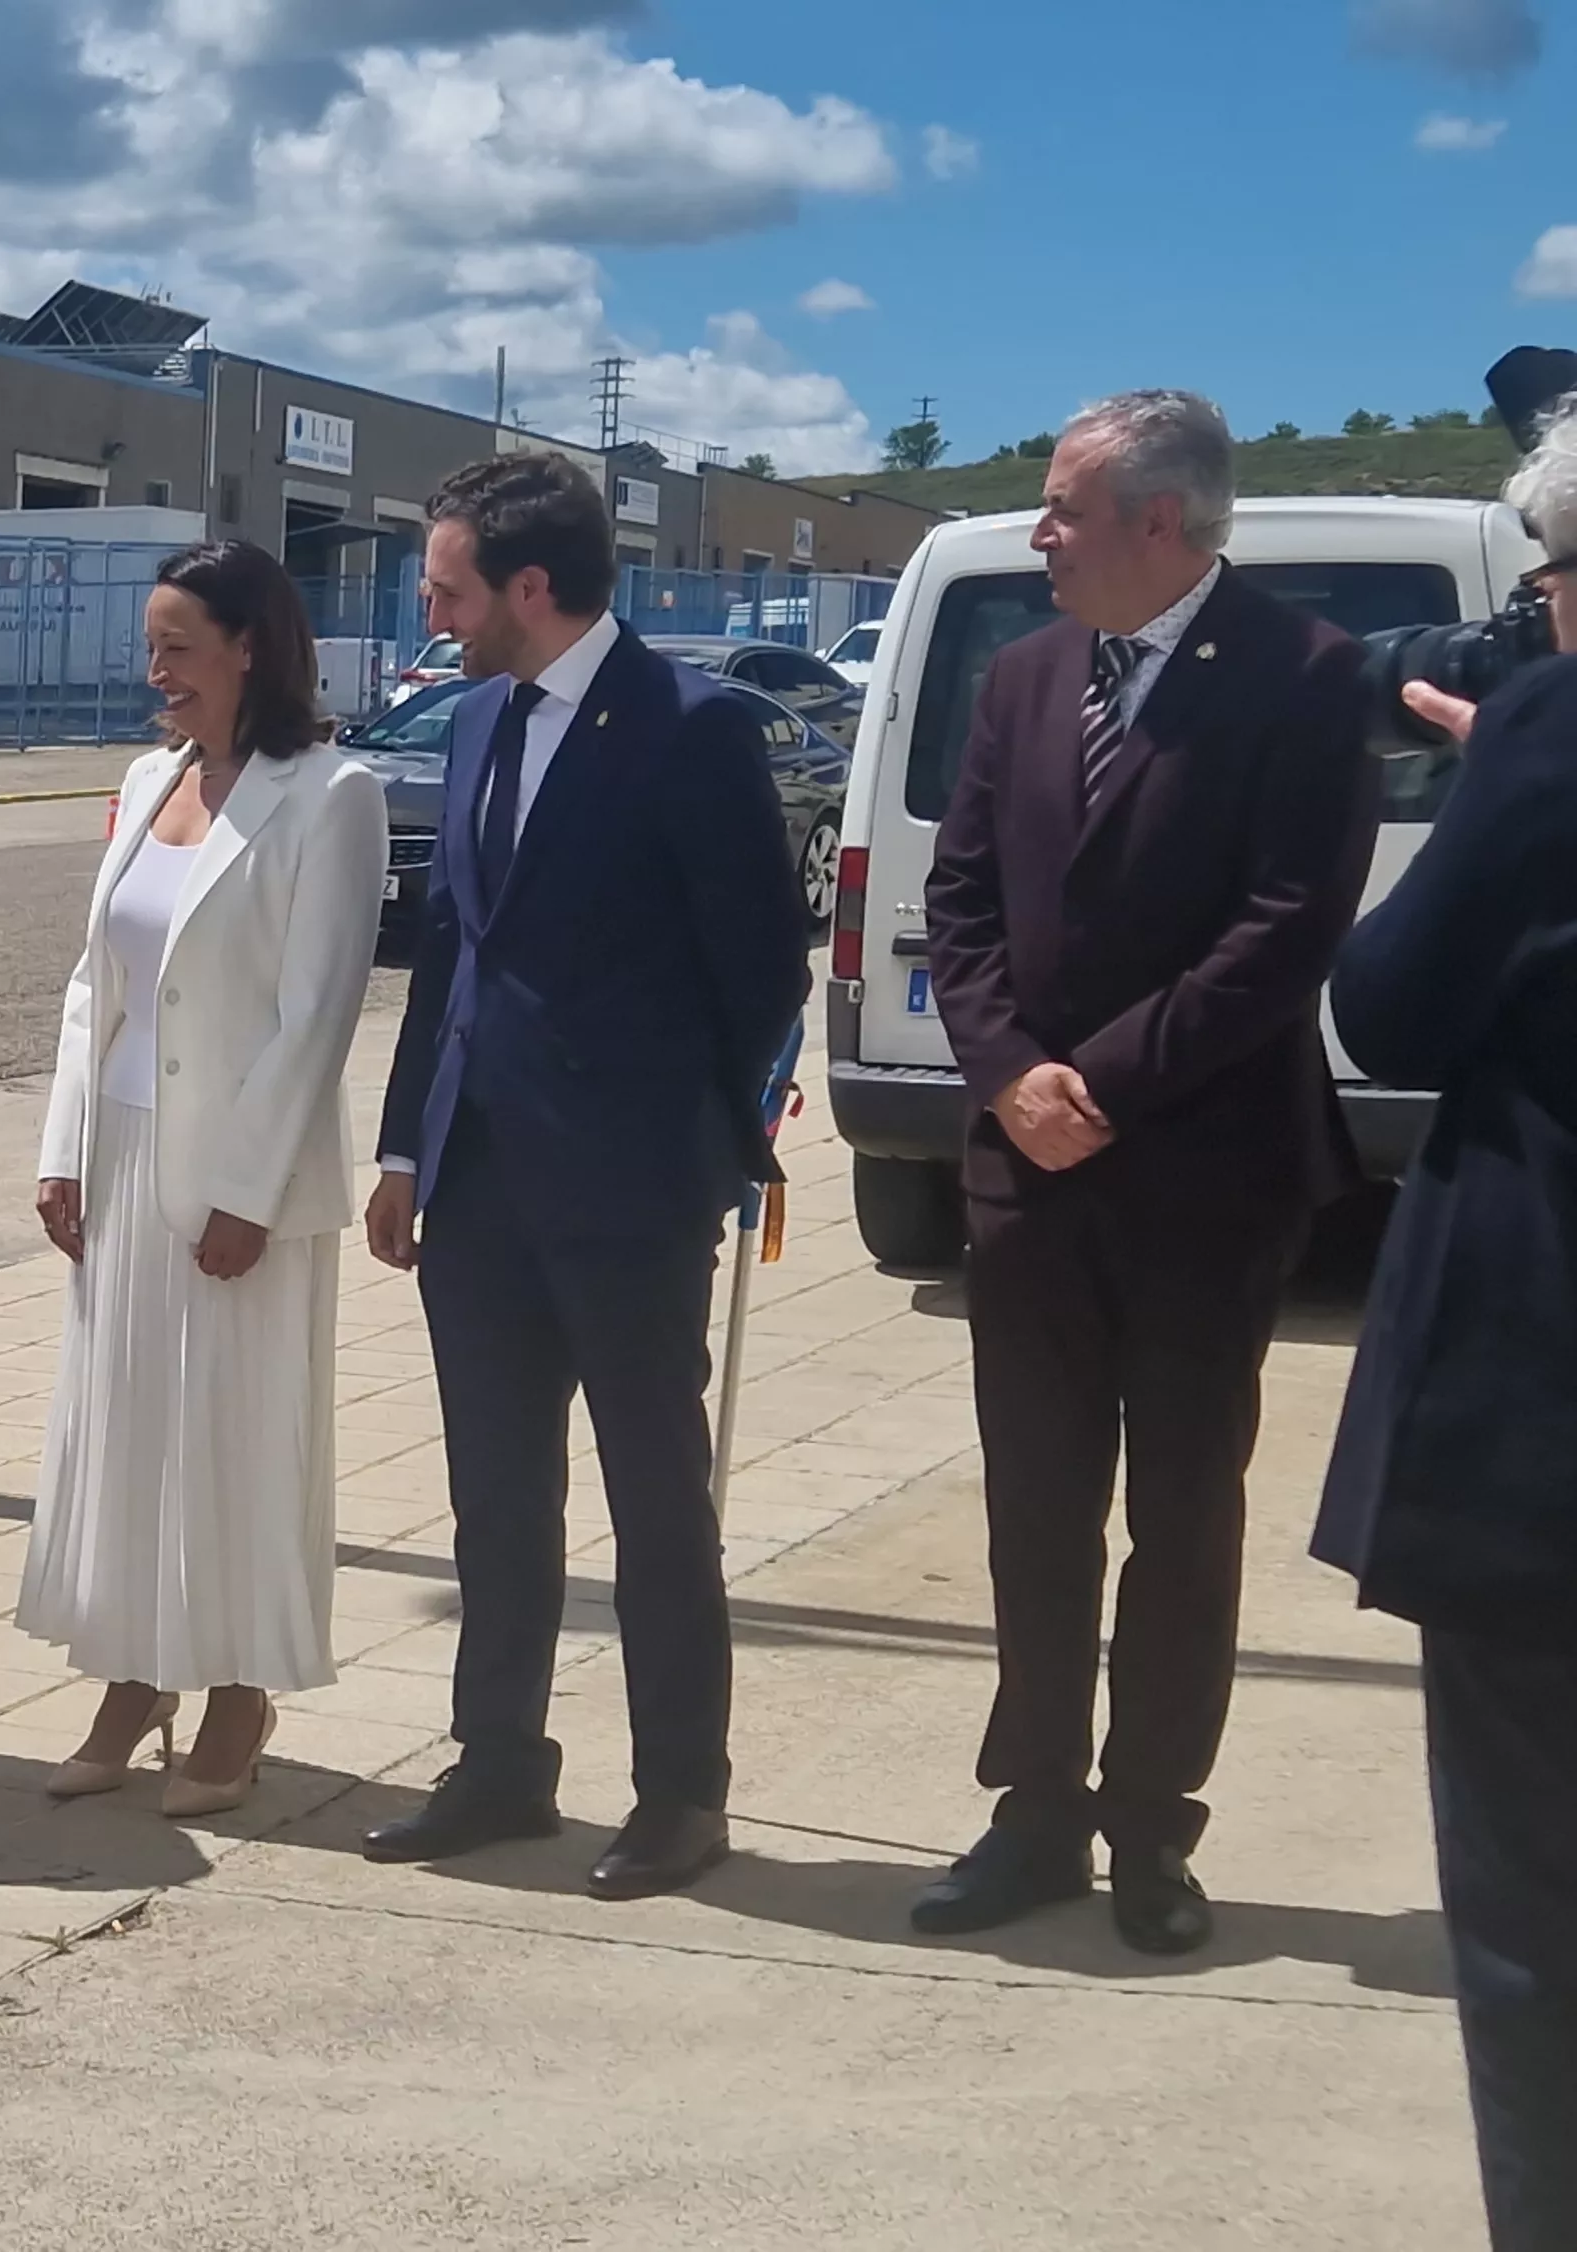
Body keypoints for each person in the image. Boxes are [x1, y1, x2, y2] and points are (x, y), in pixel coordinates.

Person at [916, 390, 1377, 1956]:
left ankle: (1151, 1837)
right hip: (1024, 1174)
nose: (1038, 534)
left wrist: (1094, 1081)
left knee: (1181, 1515)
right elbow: (961, 897)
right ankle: (1033, 1815)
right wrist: (1006, 1075)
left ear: (1159, 524)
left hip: (1203, 1172)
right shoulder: (1025, 675)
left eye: (1062, 509)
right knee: (1036, 1507)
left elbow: (1288, 927)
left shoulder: (1307, 678)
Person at [360, 453, 811, 1901]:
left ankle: (683, 1790)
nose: (433, 615)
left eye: (448, 587)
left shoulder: (690, 731)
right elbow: (453, 950)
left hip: (630, 1190)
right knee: (496, 1495)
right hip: (480, 1178)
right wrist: (403, 1145)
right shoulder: (484, 714)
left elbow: (758, 971)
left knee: (654, 1499)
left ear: (530, 587)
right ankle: (500, 1764)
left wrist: (708, 1145)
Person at [1313, 411, 1577, 2249]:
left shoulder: (1553, 737)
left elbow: (1394, 1013)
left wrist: (1499, 786)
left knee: (1534, 1928)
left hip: (1542, 1442)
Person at [20, 541, 388, 1818]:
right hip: (121, 1156)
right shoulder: (145, 776)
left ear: (250, 647)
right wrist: (61, 1146)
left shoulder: (329, 793)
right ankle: (133, 1673)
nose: (156, 670)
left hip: (240, 1179)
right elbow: (93, 988)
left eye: (179, 645)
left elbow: (317, 1012)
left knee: (233, 1435)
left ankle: (236, 1689)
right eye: (151, 644)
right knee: (123, 1426)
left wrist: (247, 1187)